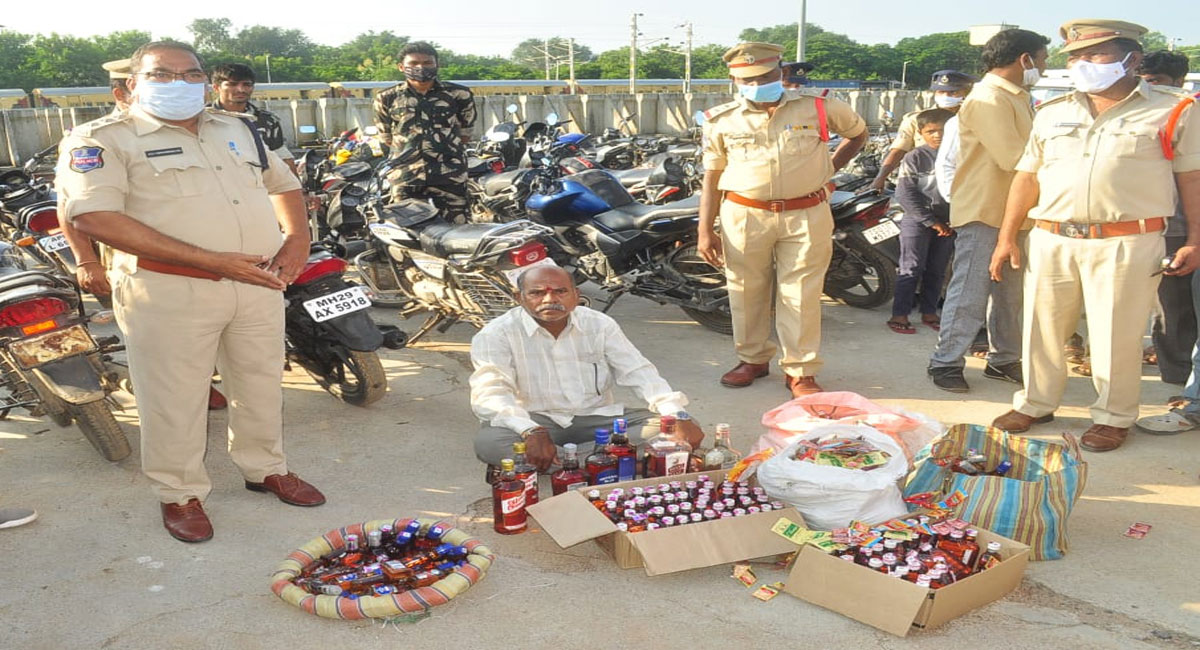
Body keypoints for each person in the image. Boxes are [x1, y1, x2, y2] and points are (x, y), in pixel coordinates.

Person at [55, 41, 326, 542]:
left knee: (260, 384)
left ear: (205, 80)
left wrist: (296, 241)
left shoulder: (237, 128)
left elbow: (284, 184)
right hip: (169, 290)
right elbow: (94, 215)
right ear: (134, 83)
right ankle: (179, 494)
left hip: (259, 284)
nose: (179, 84)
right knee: (173, 399)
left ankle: (264, 468)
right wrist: (211, 261)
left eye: (191, 74)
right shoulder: (101, 139)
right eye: (163, 74)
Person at [989, 20, 1200, 452]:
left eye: (1095, 55)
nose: (1082, 64)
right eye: (1074, 57)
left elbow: (1192, 180)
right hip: (1052, 236)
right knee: (1041, 327)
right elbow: (1026, 178)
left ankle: (1114, 415)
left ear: (1132, 59)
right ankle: (1035, 402)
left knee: (1116, 333)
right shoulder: (1052, 110)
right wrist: (1006, 237)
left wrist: (1194, 238)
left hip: (1127, 240)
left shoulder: (1174, 109)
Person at [697, 42, 868, 397]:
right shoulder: (721, 120)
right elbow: (712, 176)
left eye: (765, 76)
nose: (758, 83)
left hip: (806, 212)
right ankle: (753, 359)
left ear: (782, 71)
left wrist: (828, 170)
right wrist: (704, 229)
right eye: (748, 79)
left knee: (802, 293)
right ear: (734, 79)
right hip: (744, 214)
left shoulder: (819, 107)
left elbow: (857, 135)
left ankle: (801, 371)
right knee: (745, 291)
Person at [470, 264, 704, 475]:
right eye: (537, 293)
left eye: (560, 291)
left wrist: (676, 414)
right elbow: (492, 394)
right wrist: (530, 431)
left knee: (679, 424)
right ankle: (622, 461)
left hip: (597, 418)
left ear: (576, 295)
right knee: (490, 442)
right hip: (535, 421)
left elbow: (638, 371)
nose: (549, 299)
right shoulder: (496, 334)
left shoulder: (599, 324)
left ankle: (573, 465)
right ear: (519, 297)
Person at [927, 28, 1049, 393]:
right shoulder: (989, 98)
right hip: (985, 210)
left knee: (1011, 294)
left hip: (1017, 210)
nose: (1043, 66)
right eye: (1041, 59)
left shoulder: (1016, 96)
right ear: (1023, 59)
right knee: (970, 291)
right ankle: (945, 361)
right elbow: (1016, 158)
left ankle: (1004, 359)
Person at [1138, 51, 1197, 385]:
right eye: (1146, 82)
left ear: (1180, 82)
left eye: (1157, 82)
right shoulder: (1143, 117)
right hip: (1169, 226)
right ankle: (1177, 378)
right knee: (1171, 310)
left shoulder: (1190, 115)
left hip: (1190, 224)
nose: (1151, 89)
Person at [373, 41, 476, 223]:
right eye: (413, 64)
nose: (421, 67)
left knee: (457, 228)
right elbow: (387, 138)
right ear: (401, 67)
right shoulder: (386, 98)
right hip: (405, 175)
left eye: (427, 63)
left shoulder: (459, 94)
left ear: (437, 64)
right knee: (407, 231)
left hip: (449, 174)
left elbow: (465, 134)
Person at [887, 108, 955, 334]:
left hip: (949, 221)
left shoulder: (961, 155)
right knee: (911, 266)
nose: (937, 135)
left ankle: (929, 311)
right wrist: (929, 221)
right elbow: (905, 194)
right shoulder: (915, 157)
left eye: (943, 130)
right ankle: (900, 313)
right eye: (931, 131)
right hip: (918, 219)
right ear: (921, 133)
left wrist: (953, 220)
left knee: (938, 268)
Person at [871, 70, 975, 192]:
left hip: (965, 183)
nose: (946, 96)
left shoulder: (974, 120)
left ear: (966, 93)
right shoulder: (915, 119)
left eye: (953, 92)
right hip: (926, 185)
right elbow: (898, 150)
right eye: (941, 92)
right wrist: (880, 178)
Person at [209, 63, 298, 177]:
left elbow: (282, 157)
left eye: (246, 84)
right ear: (216, 87)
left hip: (258, 185)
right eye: (232, 84)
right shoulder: (202, 119)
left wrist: (299, 191)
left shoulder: (267, 121)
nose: (241, 89)